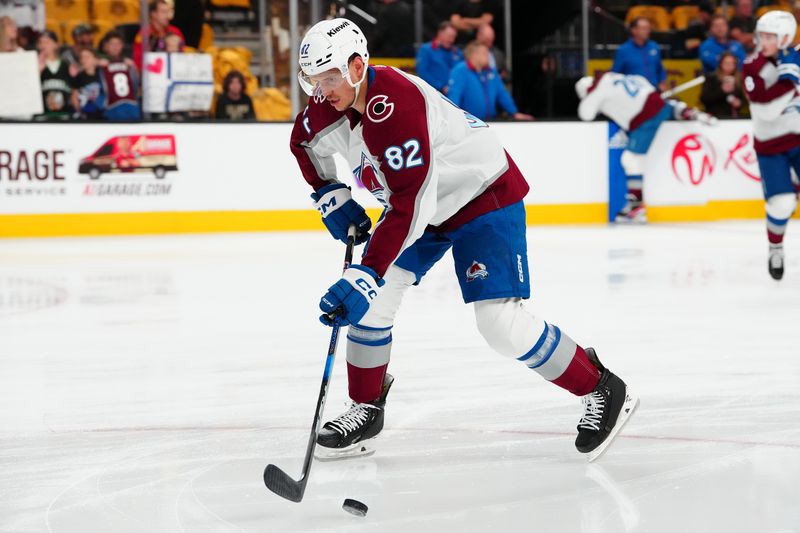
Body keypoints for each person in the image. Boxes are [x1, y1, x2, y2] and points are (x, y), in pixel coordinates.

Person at [290, 18, 639, 462]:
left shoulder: (393, 103)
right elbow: (303, 143)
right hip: (423, 208)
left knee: (500, 327)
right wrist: (330, 194)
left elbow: (410, 202)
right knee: (376, 302)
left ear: (358, 66)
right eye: (313, 80)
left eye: (331, 76)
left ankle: (602, 387)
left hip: (481, 195)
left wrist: (367, 273)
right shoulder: (325, 107)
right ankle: (366, 409)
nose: (322, 89)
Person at [575, 73, 717, 223]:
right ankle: (685, 111)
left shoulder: (597, 89)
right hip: (655, 101)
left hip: (644, 118)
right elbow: (641, 80)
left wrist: (592, 99)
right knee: (665, 109)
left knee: (630, 160)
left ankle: (636, 206)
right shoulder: (613, 76)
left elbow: (586, 114)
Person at [741, 11, 800, 280]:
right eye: (761, 35)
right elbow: (765, 111)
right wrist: (792, 81)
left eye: (769, 37)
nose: (762, 41)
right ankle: (775, 246)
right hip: (771, 146)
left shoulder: (795, 58)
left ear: (786, 38)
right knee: (782, 204)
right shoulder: (753, 67)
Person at [447, 41, 532, 121]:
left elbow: (502, 94)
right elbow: (454, 96)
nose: (489, 56)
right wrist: (454, 119)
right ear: (474, 55)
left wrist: (514, 113)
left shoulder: (491, 72)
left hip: (491, 122)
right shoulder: (460, 71)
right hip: (469, 124)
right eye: (485, 53)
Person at [611, 17, 667, 92]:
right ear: (634, 30)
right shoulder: (623, 50)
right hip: (634, 94)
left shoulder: (654, 46)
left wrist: (662, 82)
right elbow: (615, 74)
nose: (647, 31)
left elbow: (660, 68)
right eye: (644, 28)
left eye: (648, 28)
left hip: (653, 91)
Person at [99, 30, 141, 121]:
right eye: (112, 44)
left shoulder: (129, 64)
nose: (115, 47)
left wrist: (134, 67)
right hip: (112, 110)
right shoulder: (100, 64)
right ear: (106, 46)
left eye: (118, 44)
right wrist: (96, 62)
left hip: (132, 108)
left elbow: (138, 84)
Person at [36, 31, 78, 120]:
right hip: (42, 116)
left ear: (56, 45)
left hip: (64, 115)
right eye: (40, 42)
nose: (43, 45)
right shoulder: (34, 64)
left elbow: (74, 90)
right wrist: (38, 71)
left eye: (47, 42)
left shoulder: (67, 65)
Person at [133, 0, 185, 70]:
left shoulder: (175, 32)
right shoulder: (144, 34)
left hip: (175, 71)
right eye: (163, 12)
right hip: (152, 73)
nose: (167, 16)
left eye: (168, 12)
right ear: (153, 14)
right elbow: (138, 61)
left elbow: (183, 55)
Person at [415, 21, 463, 94]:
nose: (451, 40)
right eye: (449, 36)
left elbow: (461, 72)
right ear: (440, 34)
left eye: (454, 37)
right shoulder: (426, 49)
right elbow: (422, 72)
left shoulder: (457, 52)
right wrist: (441, 86)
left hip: (453, 94)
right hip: (433, 94)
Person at [700, 52, 749, 118]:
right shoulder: (712, 78)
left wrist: (740, 103)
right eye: (726, 63)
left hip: (734, 118)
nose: (730, 66)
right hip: (715, 117)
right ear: (720, 64)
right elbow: (704, 99)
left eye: (732, 63)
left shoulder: (740, 79)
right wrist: (722, 90)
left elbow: (746, 97)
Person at [74, 47, 105, 119]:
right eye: (81, 57)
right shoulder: (78, 77)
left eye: (87, 57)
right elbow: (74, 97)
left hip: (102, 116)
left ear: (95, 59)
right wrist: (80, 112)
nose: (83, 60)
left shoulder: (102, 75)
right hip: (85, 116)